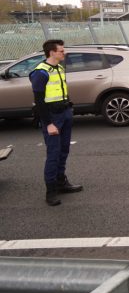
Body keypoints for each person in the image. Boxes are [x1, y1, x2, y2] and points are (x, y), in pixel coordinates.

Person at [29, 39, 83, 206]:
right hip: (52, 117)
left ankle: (61, 182)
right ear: (51, 52)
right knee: (53, 154)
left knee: (64, 150)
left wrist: (69, 109)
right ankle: (50, 191)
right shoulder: (40, 72)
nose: (63, 53)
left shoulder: (59, 68)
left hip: (65, 113)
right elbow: (39, 101)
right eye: (61, 51)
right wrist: (48, 123)